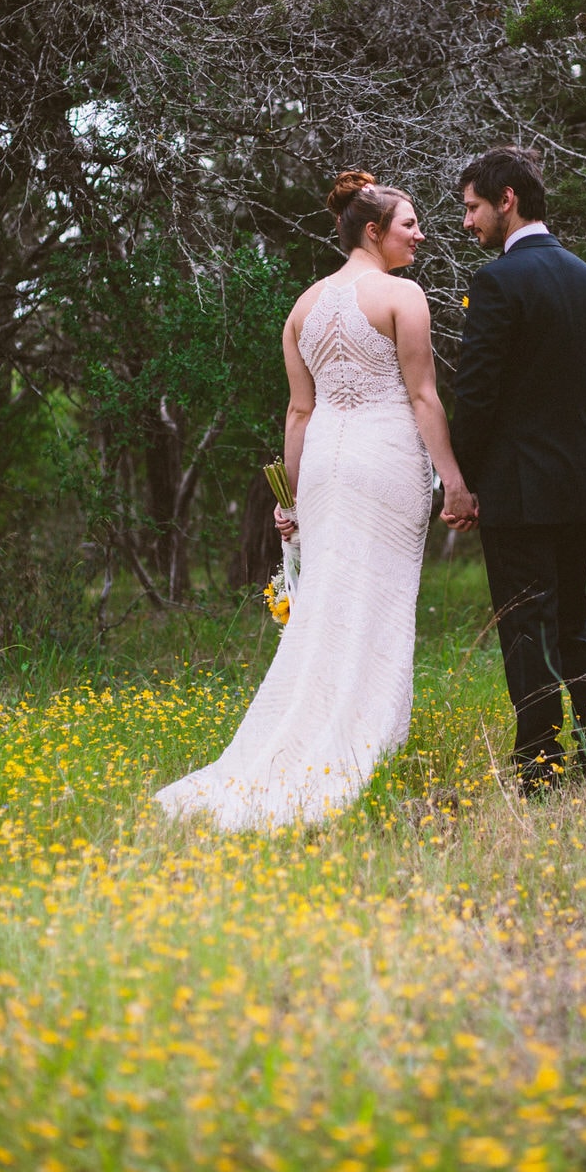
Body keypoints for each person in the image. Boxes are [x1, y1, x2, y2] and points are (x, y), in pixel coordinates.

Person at [155, 170, 477, 831]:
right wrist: (454, 480)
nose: (420, 234)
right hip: (385, 457)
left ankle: (316, 731)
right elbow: (421, 397)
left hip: (326, 462)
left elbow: (299, 414)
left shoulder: (302, 307)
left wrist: (292, 496)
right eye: (409, 223)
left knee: (329, 600)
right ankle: (363, 743)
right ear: (373, 230)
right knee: (378, 598)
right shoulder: (401, 295)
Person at [448, 146, 586, 795]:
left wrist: (460, 480)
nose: (468, 223)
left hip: (518, 490)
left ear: (507, 199)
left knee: (525, 627)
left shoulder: (498, 282)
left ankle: (541, 772)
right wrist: (577, 458)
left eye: (471, 208)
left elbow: (478, 394)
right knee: (572, 621)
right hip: (579, 483)